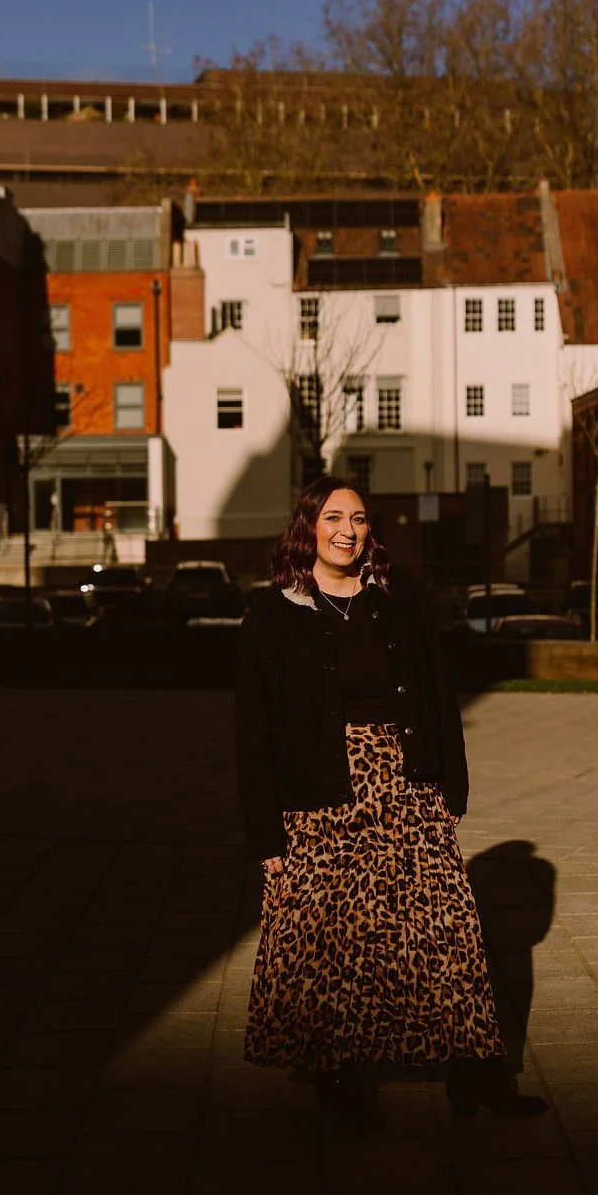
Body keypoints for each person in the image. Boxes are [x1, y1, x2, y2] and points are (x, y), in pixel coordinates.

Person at [236, 475, 546, 1124]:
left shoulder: (397, 595)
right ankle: (343, 1079)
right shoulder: (273, 612)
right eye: (333, 518)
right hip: (320, 793)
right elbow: (254, 731)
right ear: (307, 527)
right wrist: (266, 837)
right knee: (338, 942)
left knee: (447, 933)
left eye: (359, 519)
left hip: (407, 783)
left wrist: (451, 785)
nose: (348, 530)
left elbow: (438, 691)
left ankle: (477, 1075)